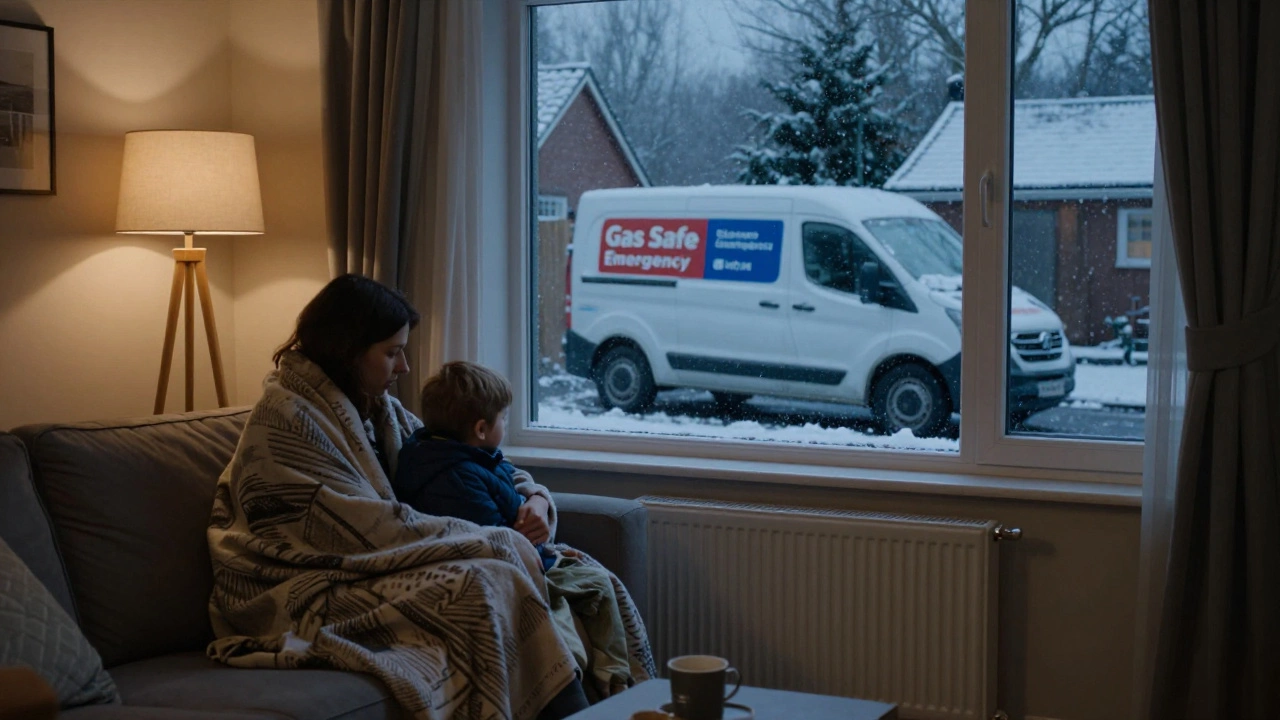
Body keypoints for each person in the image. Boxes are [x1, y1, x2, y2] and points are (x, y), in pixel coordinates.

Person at [204, 275, 646, 720]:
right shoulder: (287, 417)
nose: (405, 368)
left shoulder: (381, 410)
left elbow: (472, 459)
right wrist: (495, 541)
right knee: (485, 584)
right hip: (297, 584)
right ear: (348, 350)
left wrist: (536, 499)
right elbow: (353, 526)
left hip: (366, 568)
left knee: (582, 570)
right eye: (392, 353)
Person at [393, 363, 637, 700]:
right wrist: (547, 556)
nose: (506, 426)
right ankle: (589, 683)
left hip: (530, 557)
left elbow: (505, 475)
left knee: (599, 583)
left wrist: (537, 502)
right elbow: (494, 540)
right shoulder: (457, 478)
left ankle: (615, 678)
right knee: (567, 614)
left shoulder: (457, 452)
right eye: (504, 419)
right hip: (516, 571)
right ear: (481, 428)